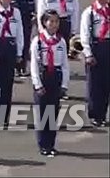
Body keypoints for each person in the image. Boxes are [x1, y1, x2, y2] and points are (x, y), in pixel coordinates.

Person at [30, 10, 70, 158]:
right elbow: (34, 65)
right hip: (43, 76)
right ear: (44, 23)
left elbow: (65, 64)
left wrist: (64, 84)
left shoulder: (61, 42)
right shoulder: (38, 41)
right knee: (43, 113)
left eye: (56, 21)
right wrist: (37, 84)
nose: (54, 24)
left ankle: (51, 144)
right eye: (51, 21)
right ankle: (43, 145)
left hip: (56, 77)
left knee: (53, 113)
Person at [79, 0, 110, 127]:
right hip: (96, 45)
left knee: (106, 83)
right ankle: (94, 114)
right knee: (94, 84)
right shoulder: (89, 12)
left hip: (108, 45)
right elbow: (84, 34)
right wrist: (88, 54)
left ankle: (102, 113)